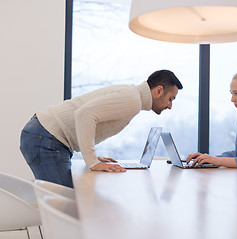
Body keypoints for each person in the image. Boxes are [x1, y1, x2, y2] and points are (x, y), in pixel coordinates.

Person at [20, 70, 183, 187]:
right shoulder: (132, 100)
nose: (170, 106)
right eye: (170, 99)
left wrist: (94, 157)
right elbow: (84, 114)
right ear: (159, 90)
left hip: (45, 136)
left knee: (69, 206)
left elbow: (88, 117)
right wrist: (92, 161)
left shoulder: (131, 94)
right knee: (66, 208)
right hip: (46, 138)